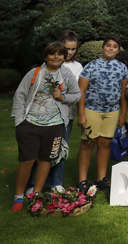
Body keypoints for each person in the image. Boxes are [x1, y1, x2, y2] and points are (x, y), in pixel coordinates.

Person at [11, 42, 81, 212]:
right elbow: (20, 95)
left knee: (46, 159)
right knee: (27, 160)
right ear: (45, 56)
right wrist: (19, 121)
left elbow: (77, 95)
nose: (56, 57)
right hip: (30, 123)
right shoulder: (35, 73)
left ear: (64, 57)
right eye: (52, 54)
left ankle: (36, 194)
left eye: (60, 54)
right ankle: (18, 196)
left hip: (55, 124)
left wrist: (62, 97)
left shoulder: (66, 74)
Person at [77, 36, 128, 191]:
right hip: (92, 110)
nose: (111, 48)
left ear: (118, 50)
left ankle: (101, 178)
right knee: (88, 143)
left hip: (112, 111)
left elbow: (123, 93)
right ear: (102, 47)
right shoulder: (91, 67)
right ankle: (82, 180)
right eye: (108, 45)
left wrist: (122, 114)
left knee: (105, 143)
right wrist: (81, 114)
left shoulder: (122, 68)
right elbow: (81, 91)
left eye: (115, 46)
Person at [36, 30, 84, 192]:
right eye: (67, 48)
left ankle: (55, 182)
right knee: (42, 148)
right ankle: (36, 183)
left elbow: (76, 92)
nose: (69, 53)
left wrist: (63, 96)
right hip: (45, 114)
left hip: (66, 114)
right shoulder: (50, 63)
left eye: (73, 49)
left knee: (61, 146)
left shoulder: (77, 67)